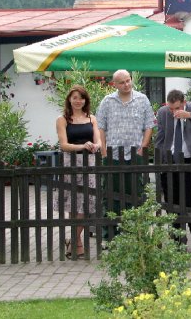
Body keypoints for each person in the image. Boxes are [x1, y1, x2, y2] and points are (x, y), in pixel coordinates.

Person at [96, 69, 155, 241]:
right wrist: (104, 151)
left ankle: (136, 235)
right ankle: (111, 237)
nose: (126, 84)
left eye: (128, 80)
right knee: (110, 196)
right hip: (112, 155)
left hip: (135, 155)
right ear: (114, 84)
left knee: (137, 194)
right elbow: (101, 127)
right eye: (122, 82)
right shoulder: (107, 101)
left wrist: (143, 147)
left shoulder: (142, 99)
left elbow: (149, 125)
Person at [53, 85, 102, 259]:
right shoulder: (62, 119)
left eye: (81, 98)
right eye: (74, 97)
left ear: (85, 100)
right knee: (73, 203)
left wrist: (95, 146)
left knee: (88, 203)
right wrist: (82, 146)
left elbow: (98, 141)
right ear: (69, 99)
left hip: (89, 163)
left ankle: (73, 240)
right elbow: (64, 145)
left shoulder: (91, 118)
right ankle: (77, 244)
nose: (78, 101)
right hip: (71, 163)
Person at [155, 89, 191, 246]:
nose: (173, 112)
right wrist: (160, 161)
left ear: (184, 102)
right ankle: (177, 242)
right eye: (171, 108)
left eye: (177, 108)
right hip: (169, 161)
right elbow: (160, 137)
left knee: (190, 202)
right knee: (171, 203)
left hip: (190, 161)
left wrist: (188, 115)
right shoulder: (163, 112)